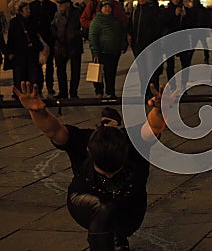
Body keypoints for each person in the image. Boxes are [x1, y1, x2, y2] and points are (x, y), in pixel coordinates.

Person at [13, 81, 169, 251]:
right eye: (103, 172)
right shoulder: (81, 142)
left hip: (130, 211)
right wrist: (38, 111)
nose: (109, 177)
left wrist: (159, 110)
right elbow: (54, 131)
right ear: (88, 151)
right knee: (103, 208)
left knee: (115, 227)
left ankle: (118, 238)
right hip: (84, 200)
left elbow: (153, 127)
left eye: (114, 171)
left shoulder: (134, 143)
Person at [89, 0, 128, 98]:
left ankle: (110, 91)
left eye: (109, 7)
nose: (107, 9)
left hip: (113, 52)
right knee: (99, 73)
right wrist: (95, 51)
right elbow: (93, 36)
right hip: (101, 51)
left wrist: (123, 44)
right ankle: (99, 91)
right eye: (105, 7)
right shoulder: (96, 21)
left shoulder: (115, 21)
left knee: (111, 73)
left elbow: (120, 34)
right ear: (101, 9)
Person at [128, 0, 163, 97]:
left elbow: (157, 27)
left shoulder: (152, 10)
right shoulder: (135, 11)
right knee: (142, 70)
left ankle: (153, 92)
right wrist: (131, 38)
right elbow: (131, 26)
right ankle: (144, 91)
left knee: (151, 69)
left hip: (150, 45)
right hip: (138, 45)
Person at [5, 0, 44, 94]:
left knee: (33, 76)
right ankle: (20, 94)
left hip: (31, 54)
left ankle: (33, 93)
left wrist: (38, 47)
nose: (28, 11)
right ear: (21, 11)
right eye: (26, 9)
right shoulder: (14, 22)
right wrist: (10, 52)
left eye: (29, 8)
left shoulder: (32, 21)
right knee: (19, 76)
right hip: (19, 55)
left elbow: (36, 35)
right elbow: (11, 38)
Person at [52, 0, 84, 99]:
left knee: (75, 71)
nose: (60, 6)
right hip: (61, 46)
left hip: (74, 46)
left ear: (67, 4)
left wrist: (76, 34)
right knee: (60, 70)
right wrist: (56, 36)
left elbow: (83, 27)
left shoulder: (77, 13)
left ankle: (73, 92)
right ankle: (63, 92)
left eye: (61, 4)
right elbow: (53, 26)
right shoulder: (58, 14)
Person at [29, 0, 58, 97]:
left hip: (49, 38)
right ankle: (39, 86)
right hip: (37, 39)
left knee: (50, 64)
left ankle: (50, 86)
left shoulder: (51, 6)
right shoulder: (32, 6)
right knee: (38, 64)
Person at [164, 0, 193, 91]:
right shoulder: (167, 10)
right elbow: (165, 23)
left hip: (183, 40)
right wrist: (174, 15)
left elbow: (191, 25)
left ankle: (184, 85)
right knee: (170, 65)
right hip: (170, 40)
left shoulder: (185, 9)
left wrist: (185, 16)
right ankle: (173, 86)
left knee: (185, 63)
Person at [190, 0, 211, 64]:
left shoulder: (192, 10)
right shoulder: (203, 9)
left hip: (195, 30)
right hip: (202, 29)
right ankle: (206, 57)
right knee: (204, 44)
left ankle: (189, 59)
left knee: (193, 46)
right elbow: (207, 19)